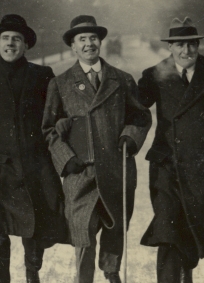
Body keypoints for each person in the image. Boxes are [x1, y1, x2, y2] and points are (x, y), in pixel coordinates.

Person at [0, 14, 68, 283]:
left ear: (26, 45)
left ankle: (32, 274)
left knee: (34, 234)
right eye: (5, 38)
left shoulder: (43, 76)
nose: (10, 43)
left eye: (17, 39)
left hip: (36, 168)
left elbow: (56, 116)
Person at [42, 15, 152, 283]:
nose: (89, 44)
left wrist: (130, 138)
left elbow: (140, 117)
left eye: (93, 38)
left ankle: (112, 271)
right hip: (81, 174)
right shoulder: (60, 83)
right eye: (82, 39)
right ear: (73, 47)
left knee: (116, 227)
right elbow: (48, 129)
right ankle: (84, 279)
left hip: (117, 168)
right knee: (84, 232)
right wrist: (66, 160)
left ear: (100, 42)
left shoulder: (122, 79)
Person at [137, 17, 204, 283]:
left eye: (191, 45)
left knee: (191, 231)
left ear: (198, 46)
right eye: (180, 45)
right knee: (167, 229)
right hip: (167, 163)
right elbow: (134, 110)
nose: (186, 51)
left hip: (203, 165)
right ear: (170, 47)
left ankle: (185, 276)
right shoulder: (154, 75)